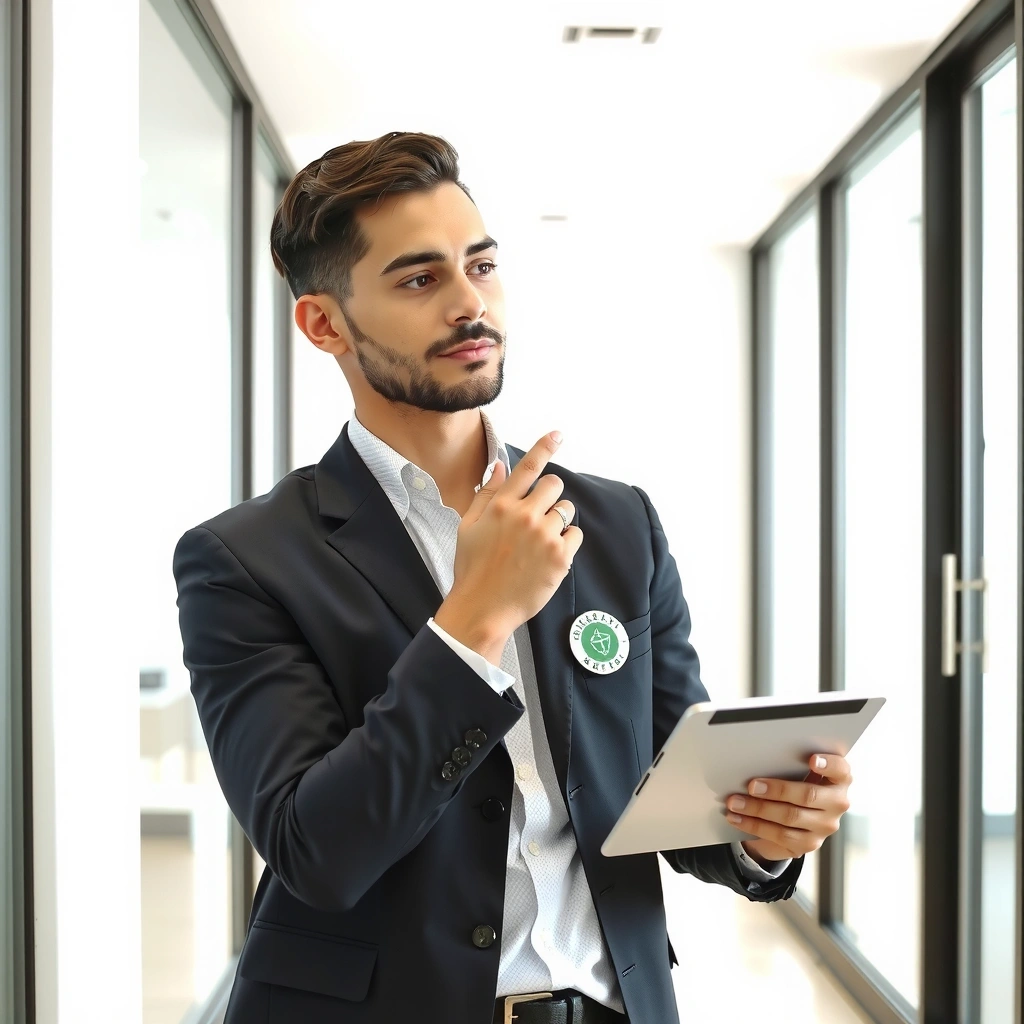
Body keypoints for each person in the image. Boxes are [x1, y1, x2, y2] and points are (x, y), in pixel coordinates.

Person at [172, 131, 853, 1024]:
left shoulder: (616, 525)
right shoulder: (244, 559)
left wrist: (762, 830)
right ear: (324, 322)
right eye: (419, 279)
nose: (470, 304)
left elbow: (657, 783)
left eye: (481, 266)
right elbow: (318, 852)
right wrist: (473, 622)